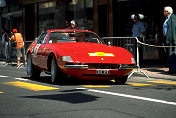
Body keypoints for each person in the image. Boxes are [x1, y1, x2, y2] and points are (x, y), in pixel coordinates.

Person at [163, 6, 176, 74]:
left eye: (164, 11)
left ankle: (173, 70)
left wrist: (174, 40)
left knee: (172, 55)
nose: (163, 12)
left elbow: (173, 29)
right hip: (167, 39)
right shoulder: (167, 18)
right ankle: (171, 68)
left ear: (167, 12)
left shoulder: (173, 18)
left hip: (171, 40)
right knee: (169, 55)